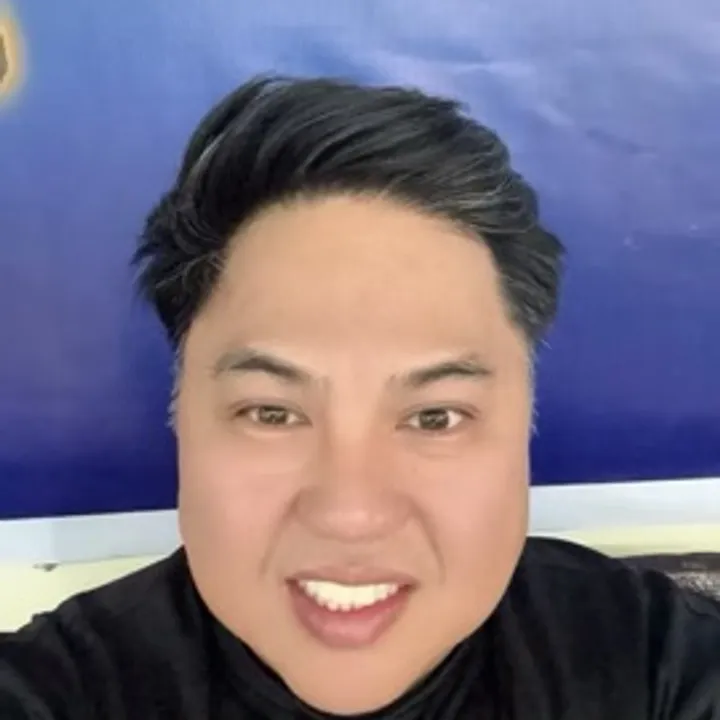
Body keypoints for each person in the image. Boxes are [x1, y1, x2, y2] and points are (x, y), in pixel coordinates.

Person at [1, 75, 719, 720]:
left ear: (524, 428)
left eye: (434, 417)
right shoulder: (62, 689)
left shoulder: (656, 666)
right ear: (179, 420)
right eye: (272, 413)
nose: (351, 515)